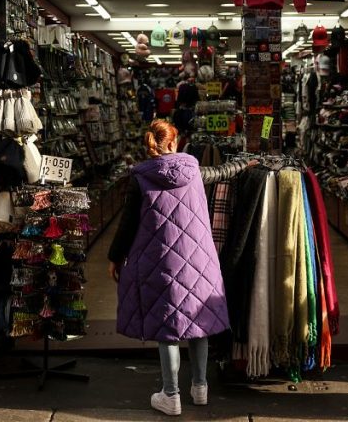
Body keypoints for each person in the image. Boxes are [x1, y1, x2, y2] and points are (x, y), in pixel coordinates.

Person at [107, 119, 250, 416]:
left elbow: (128, 224)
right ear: (174, 142)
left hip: (160, 263)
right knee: (199, 322)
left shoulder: (140, 176)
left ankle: (170, 395)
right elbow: (221, 172)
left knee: (167, 326)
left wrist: (115, 257)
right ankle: (200, 388)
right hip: (199, 260)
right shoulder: (194, 169)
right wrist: (246, 164)